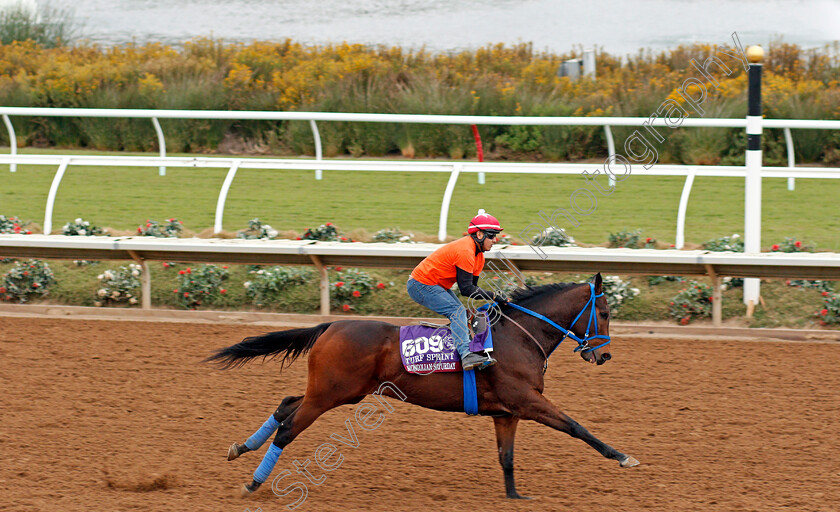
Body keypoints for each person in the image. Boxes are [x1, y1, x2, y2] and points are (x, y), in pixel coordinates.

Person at [407, 209, 509, 371]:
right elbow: (466, 289)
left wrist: (495, 297)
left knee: (463, 313)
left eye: (496, 235)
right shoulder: (465, 251)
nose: (495, 240)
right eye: (491, 235)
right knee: (457, 312)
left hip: (434, 284)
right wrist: (494, 296)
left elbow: (472, 290)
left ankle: (463, 350)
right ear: (480, 235)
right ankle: (466, 355)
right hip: (420, 285)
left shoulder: (479, 256)